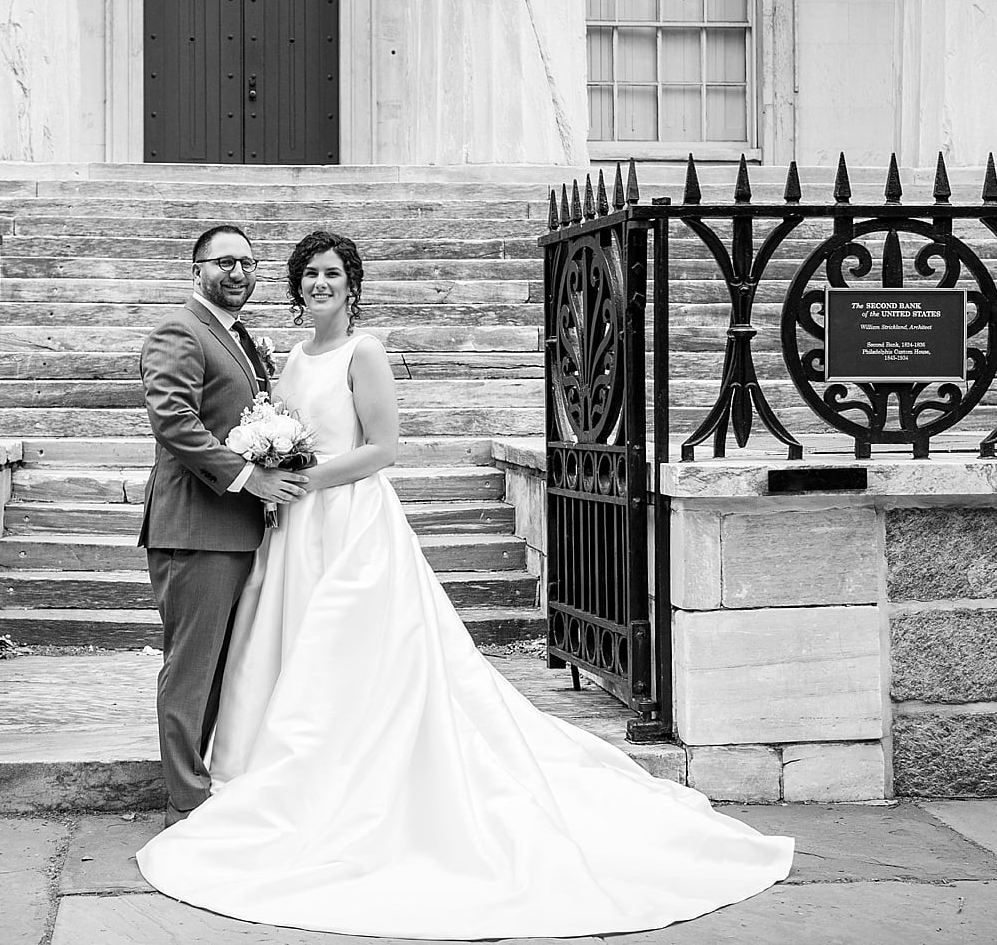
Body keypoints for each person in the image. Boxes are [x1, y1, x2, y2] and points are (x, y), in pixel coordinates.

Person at [136, 230, 794, 939]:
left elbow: (382, 448)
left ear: (351, 284)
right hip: (279, 527)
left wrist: (293, 478)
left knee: (352, 654)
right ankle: (206, 790)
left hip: (346, 523)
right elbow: (186, 419)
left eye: (330, 273)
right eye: (308, 273)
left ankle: (321, 783)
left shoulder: (364, 350)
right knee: (250, 654)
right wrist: (267, 476)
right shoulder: (271, 351)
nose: (317, 283)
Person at [137, 224, 308, 829]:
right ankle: (184, 801)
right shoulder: (180, 330)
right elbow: (174, 421)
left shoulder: (239, 338)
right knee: (191, 667)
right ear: (196, 269)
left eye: (248, 263)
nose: (238, 273)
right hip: (196, 529)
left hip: (238, 531)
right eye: (225, 262)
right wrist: (248, 477)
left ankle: (202, 779)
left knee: (222, 668)